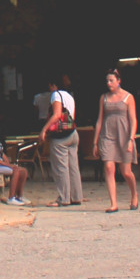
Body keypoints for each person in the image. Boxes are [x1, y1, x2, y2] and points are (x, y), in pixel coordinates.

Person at [94, 66, 139, 212]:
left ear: (119, 81)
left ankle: (134, 194)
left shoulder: (128, 97)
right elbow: (99, 120)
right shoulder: (104, 97)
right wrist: (95, 142)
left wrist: (131, 139)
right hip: (107, 136)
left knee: (126, 171)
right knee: (108, 167)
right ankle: (113, 203)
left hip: (124, 135)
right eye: (107, 81)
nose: (109, 83)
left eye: (111, 80)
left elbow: (133, 119)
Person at [40, 73, 82, 207]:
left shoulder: (56, 95)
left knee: (61, 167)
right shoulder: (70, 96)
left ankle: (64, 197)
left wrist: (44, 129)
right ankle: (76, 196)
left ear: (53, 85)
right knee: (73, 166)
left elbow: (57, 114)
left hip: (60, 137)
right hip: (73, 133)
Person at [0, 122, 29, 204]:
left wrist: (10, 163)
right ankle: (11, 197)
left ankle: (19, 196)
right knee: (16, 171)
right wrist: (8, 165)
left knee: (23, 171)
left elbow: (1, 153)